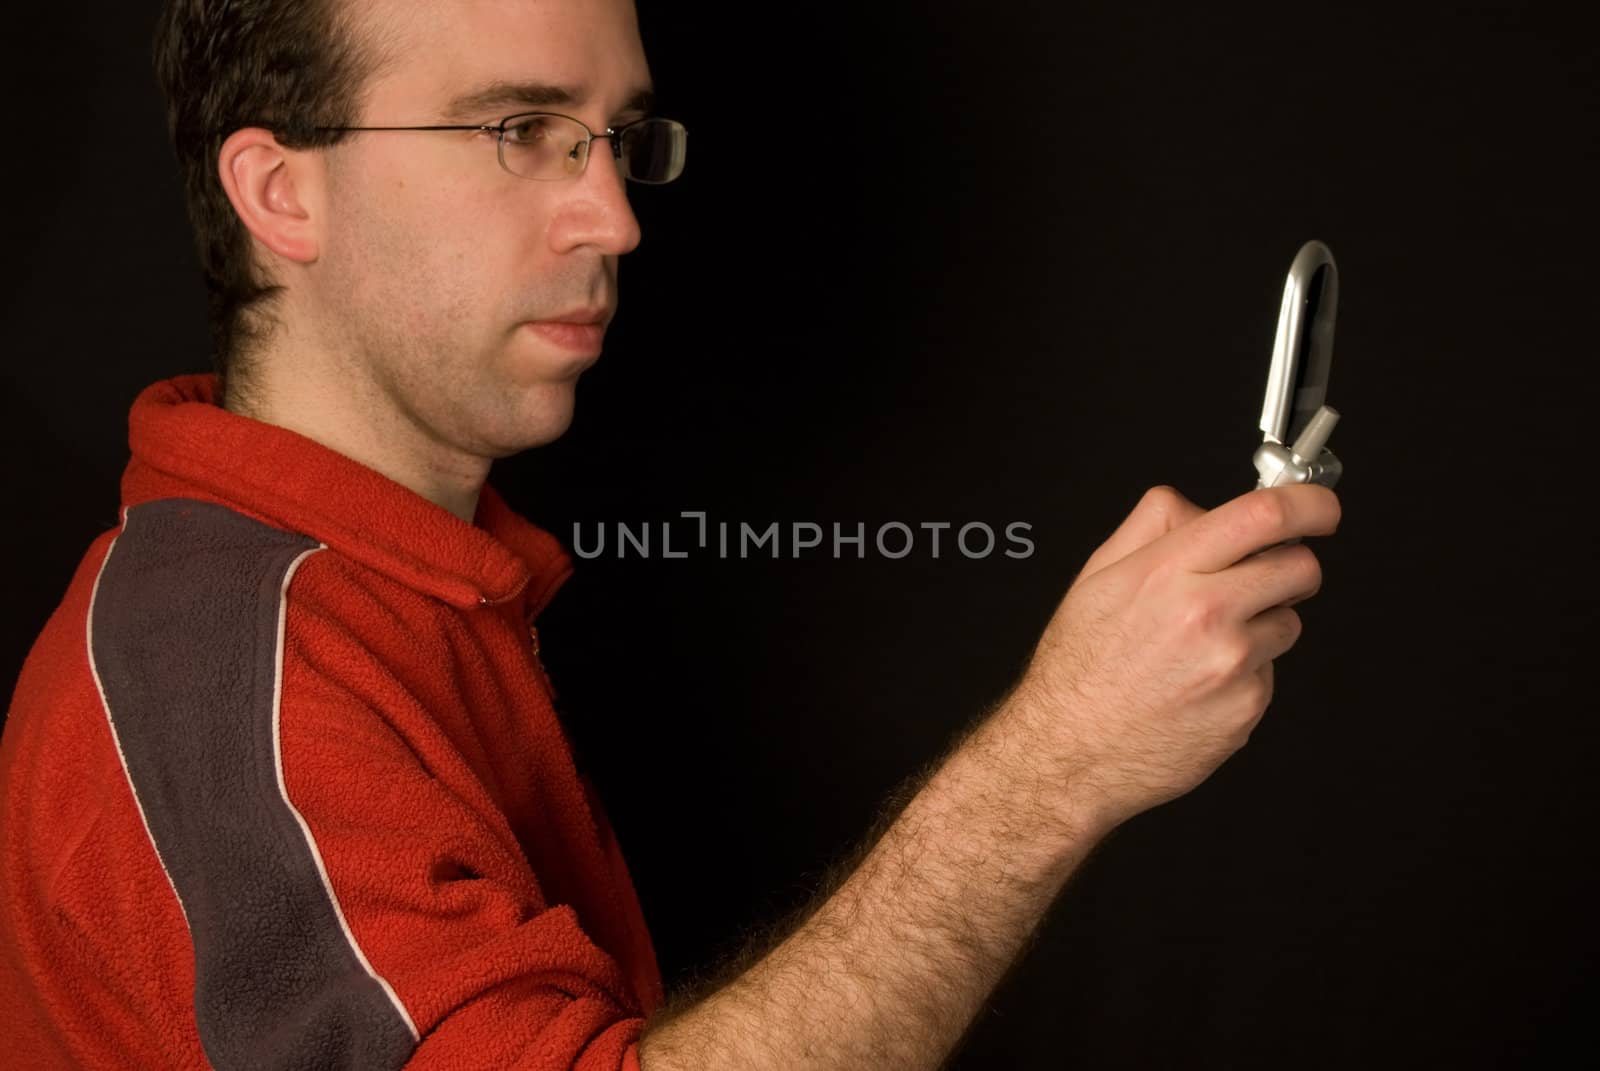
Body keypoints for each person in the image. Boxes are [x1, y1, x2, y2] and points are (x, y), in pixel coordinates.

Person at [0, 0, 1340, 1067]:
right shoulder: (231, 683)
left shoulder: (386, 583)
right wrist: (1058, 764)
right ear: (283, 194)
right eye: (522, 129)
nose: (620, 217)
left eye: (619, 137)